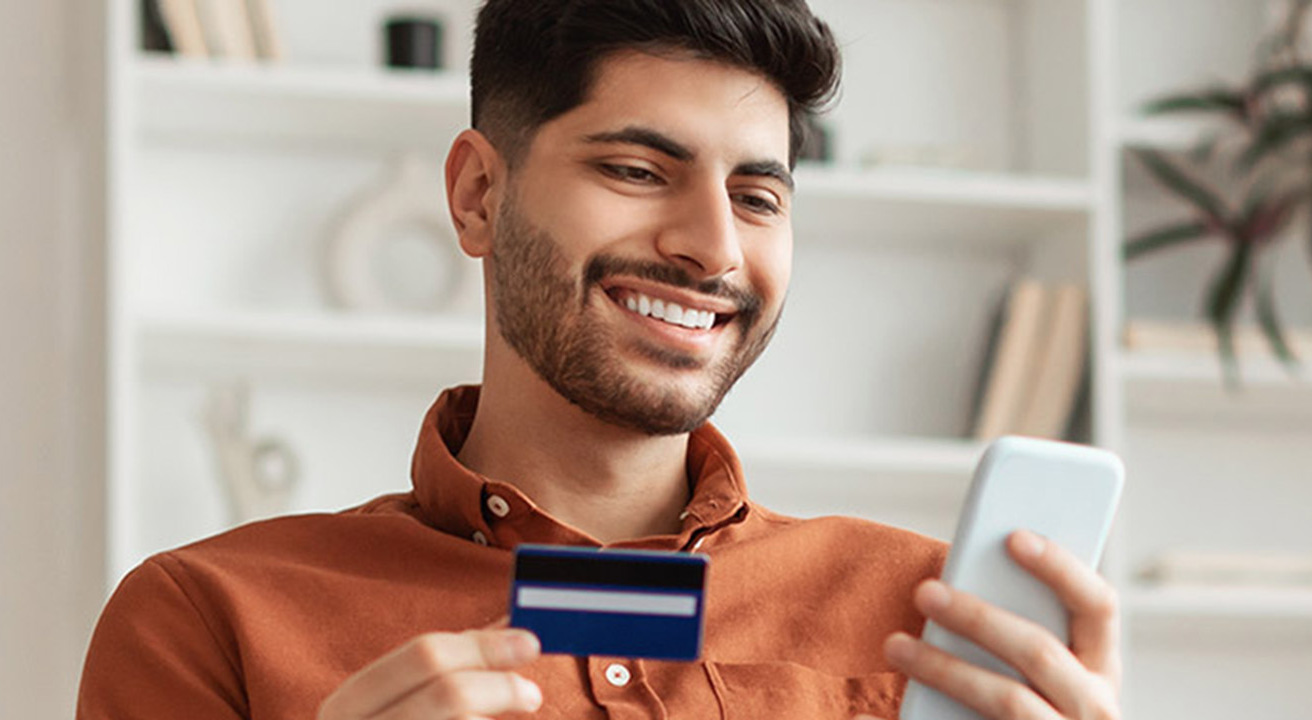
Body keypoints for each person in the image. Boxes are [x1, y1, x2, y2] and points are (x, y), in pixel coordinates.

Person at [78, 1, 1124, 718]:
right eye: (636, 170)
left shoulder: (933, 619)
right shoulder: (206, 619)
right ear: (478, 196)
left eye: (757, 196)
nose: (713, 247)